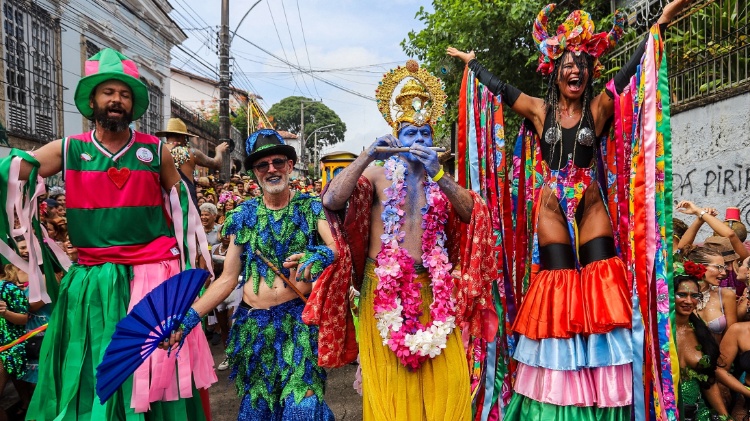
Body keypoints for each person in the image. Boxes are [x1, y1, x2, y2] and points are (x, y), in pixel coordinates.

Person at [447, 1, 692, 418]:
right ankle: (561, 401)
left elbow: (633, 73)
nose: (575, 70)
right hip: (551, 208)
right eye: (567, 64)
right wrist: (474, 65)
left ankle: (609, 397)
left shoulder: (599, 109)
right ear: (554, 71)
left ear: (589, 71)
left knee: (602, 286)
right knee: (557, 288)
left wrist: (660, 25)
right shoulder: (541, 112)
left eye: (581, 64)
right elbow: (502, 91)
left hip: (591, 204)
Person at [0, 48, 216, 420]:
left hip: (152, 276)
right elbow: (16, 170)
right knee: (91, 372)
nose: (116, 99)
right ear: (93, 100)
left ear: (133, 105)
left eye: (125, 94)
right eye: (108, 92)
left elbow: (182, 209)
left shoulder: (156, 151)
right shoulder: (69, 149)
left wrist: (186, 265)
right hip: (93, 281)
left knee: (156, 373)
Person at [318, 61, 496, 420]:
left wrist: (440, 175)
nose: (418, 141)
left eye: (425, 134)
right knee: (392, 393)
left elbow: (472, 213)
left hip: (435, 288)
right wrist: (367, 153)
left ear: (434, 139)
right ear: (396, 137)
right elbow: (331, 201)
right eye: (410, 134)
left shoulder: (443, 180)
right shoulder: (376, 175)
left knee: (450, 385)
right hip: (383, 288)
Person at [165, 129, 338, 420]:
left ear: (290, 165)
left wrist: (319, 254)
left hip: (299, 324)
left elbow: (337, 246)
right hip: (253, 329)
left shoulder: (311, 207)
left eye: (278, 162)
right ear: (255, 173)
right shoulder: (244, 215)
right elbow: (227, 279)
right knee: (259, 410)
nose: (271, 169)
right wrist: (188, 319)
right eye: (262, 165)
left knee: (302, 410)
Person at [674, 270, 730, 420]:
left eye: (694, 295)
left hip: (697, 413)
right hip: (662, 413)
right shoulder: (657, 336)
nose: (689, 301)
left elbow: (708, 382)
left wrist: (725, 416)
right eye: (682, 295)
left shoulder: (700, 333)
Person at [156, 117, 228, 205]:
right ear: (183, 137)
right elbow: (217, 163)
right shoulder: (192, 153)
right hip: (186, 204)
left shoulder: (157, 151)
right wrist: (219, 151)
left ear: (167, 136)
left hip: (161, 201)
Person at [686, 245, 737, 343]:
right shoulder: (681, 297)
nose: (723, 273)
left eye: (724, 268)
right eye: (719, 267)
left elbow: (731, 338)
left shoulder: (726, 295)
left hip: (719, 356)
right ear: (699, 266)